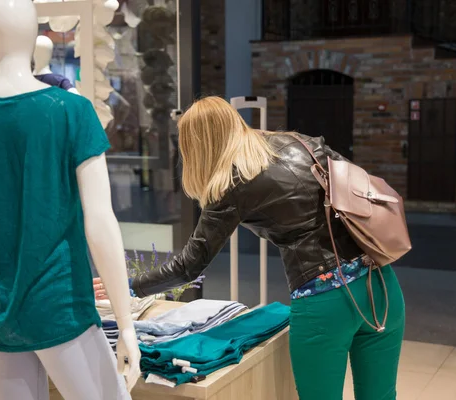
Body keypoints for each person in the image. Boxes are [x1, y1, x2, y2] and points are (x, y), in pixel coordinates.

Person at [94, 96, 406, 400]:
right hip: (380, 284)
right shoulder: (301, 142)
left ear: (197, 146)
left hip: (324, 302)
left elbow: (190, 265)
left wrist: (128, 286)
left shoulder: (230, 182)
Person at [0, 0, 139, 399]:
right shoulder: (71, 111)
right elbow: (100, 221)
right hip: (59, 307)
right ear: (30, 33)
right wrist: (126, 322)